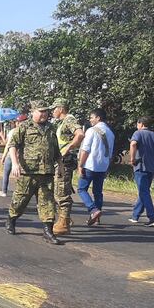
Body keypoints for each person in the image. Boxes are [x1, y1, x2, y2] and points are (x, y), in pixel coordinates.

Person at [5, 100, 63, 244]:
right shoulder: (24, 127)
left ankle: (48, 231)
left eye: (46, 111)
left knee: (48, 202)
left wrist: (60, 166)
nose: (44, 114)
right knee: (20, 200)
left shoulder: (51, 128)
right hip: (28, 172)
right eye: (41, 111)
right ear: (33, 112)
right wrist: (15, 164)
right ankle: (11, 219)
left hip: (47, 172)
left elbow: (56, 150)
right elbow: (13, 145)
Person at [51, 98, 85, 235]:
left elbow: (80, 134)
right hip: (60, 161)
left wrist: (68, 148)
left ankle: (64, 223)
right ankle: (64, 218)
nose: (53, 111)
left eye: (54, 109)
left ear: (61, 109)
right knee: (57, 190)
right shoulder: (62, 123)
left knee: (61, 192)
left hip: (64, 161)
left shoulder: (69, 120)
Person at [77, 108, 115, 226]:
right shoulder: (110, 132)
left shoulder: (91, 131)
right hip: (102, 166)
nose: (90, 119)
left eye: (92, 117)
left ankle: (93, 210)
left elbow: (85, 149)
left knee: (82, 189)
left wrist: (80, 164)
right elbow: (110, 152)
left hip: (89, 164)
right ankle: (97, 218)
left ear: (98, 118)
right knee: (98, 192)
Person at [128, 116, 154, 226]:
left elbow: (133, 144)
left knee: (144, 192)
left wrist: (132, 159)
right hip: (151, 168)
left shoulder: (137, 133)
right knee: (144, 191)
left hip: (140, 166)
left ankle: (153, 217)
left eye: (137, 124)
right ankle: (135, 215)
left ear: (141, 124)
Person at [0, 115, 27, 197]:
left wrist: (2, 137)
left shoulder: (14, 131)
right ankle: (16, 192)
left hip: (14, 156)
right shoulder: (25, 131)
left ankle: (5, 191)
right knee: (15, 174)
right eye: (17, 122)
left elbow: (7, 145)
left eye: (18, 122)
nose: (17, 123)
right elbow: (9, 145)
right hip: (17, 155)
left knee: (11, 174)